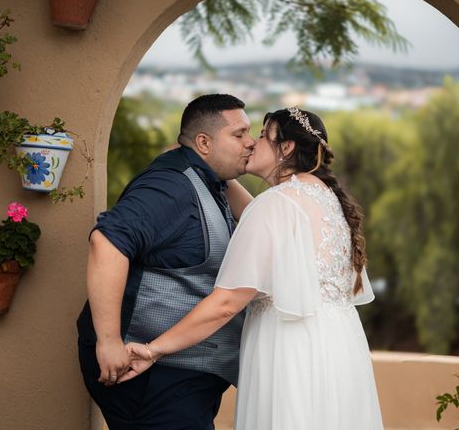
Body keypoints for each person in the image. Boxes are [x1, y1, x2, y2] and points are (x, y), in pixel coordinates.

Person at [120, 107, 384, 430]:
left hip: (290, 352)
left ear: (285, 148)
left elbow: (226, 304)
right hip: (336, 350)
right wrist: (206, 164)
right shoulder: (326, 198)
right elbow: (262, 219)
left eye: (261, 135)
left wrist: (153, 349)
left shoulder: (276, 204)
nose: (251, 143)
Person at [76, 94, 255, 430]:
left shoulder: (209, 181)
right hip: (151, 374)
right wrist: (110, 340)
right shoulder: (169, 186)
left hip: (182, 375)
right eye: (239, 134)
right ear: (203, 142)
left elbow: (260, 222)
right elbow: (106, 242)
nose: (251, 143)